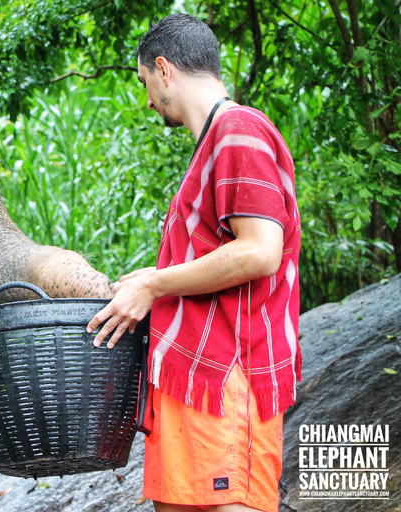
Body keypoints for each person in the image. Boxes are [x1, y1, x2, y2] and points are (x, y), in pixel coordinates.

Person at [86, 13, 301, 512]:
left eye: (145, 82)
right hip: (191, 381)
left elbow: (259, 250)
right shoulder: (213, 142)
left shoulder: (238, 129)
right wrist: (149, 278)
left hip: (229, 375)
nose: (147, 100)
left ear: (164, 70)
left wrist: (155, 286)